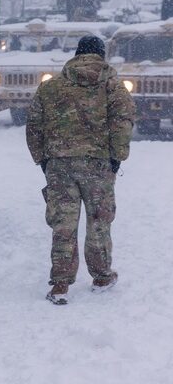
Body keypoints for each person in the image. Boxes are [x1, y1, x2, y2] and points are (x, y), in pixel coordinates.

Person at [26, 35, 134, 306]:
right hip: (98, 163)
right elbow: (123, 123)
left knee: (62, 223)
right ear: (101, 55)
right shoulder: (113, 87)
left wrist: (43, 160)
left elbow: (34, 126)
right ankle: (101, 277)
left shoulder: (50, 88)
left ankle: (60, 284)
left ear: (76, 55)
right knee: (99, 221)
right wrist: (117, 158)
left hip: (59, 165)